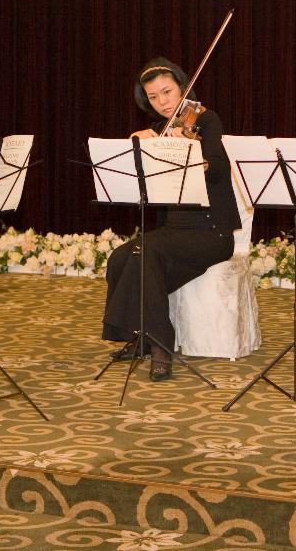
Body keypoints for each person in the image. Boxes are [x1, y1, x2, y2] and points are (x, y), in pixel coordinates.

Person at [101, 57, 241, 381]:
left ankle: (160, 345)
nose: (162, 102)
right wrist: (140, 147)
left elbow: (219, 166)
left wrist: (193, 153)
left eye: (168, 92)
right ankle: (137, 335)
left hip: (212, 232)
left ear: (182, 87)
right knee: (121, 256)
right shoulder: (157, 132)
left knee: (146, 254)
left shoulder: (204, 121)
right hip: (175, 230)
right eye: (153, 96)